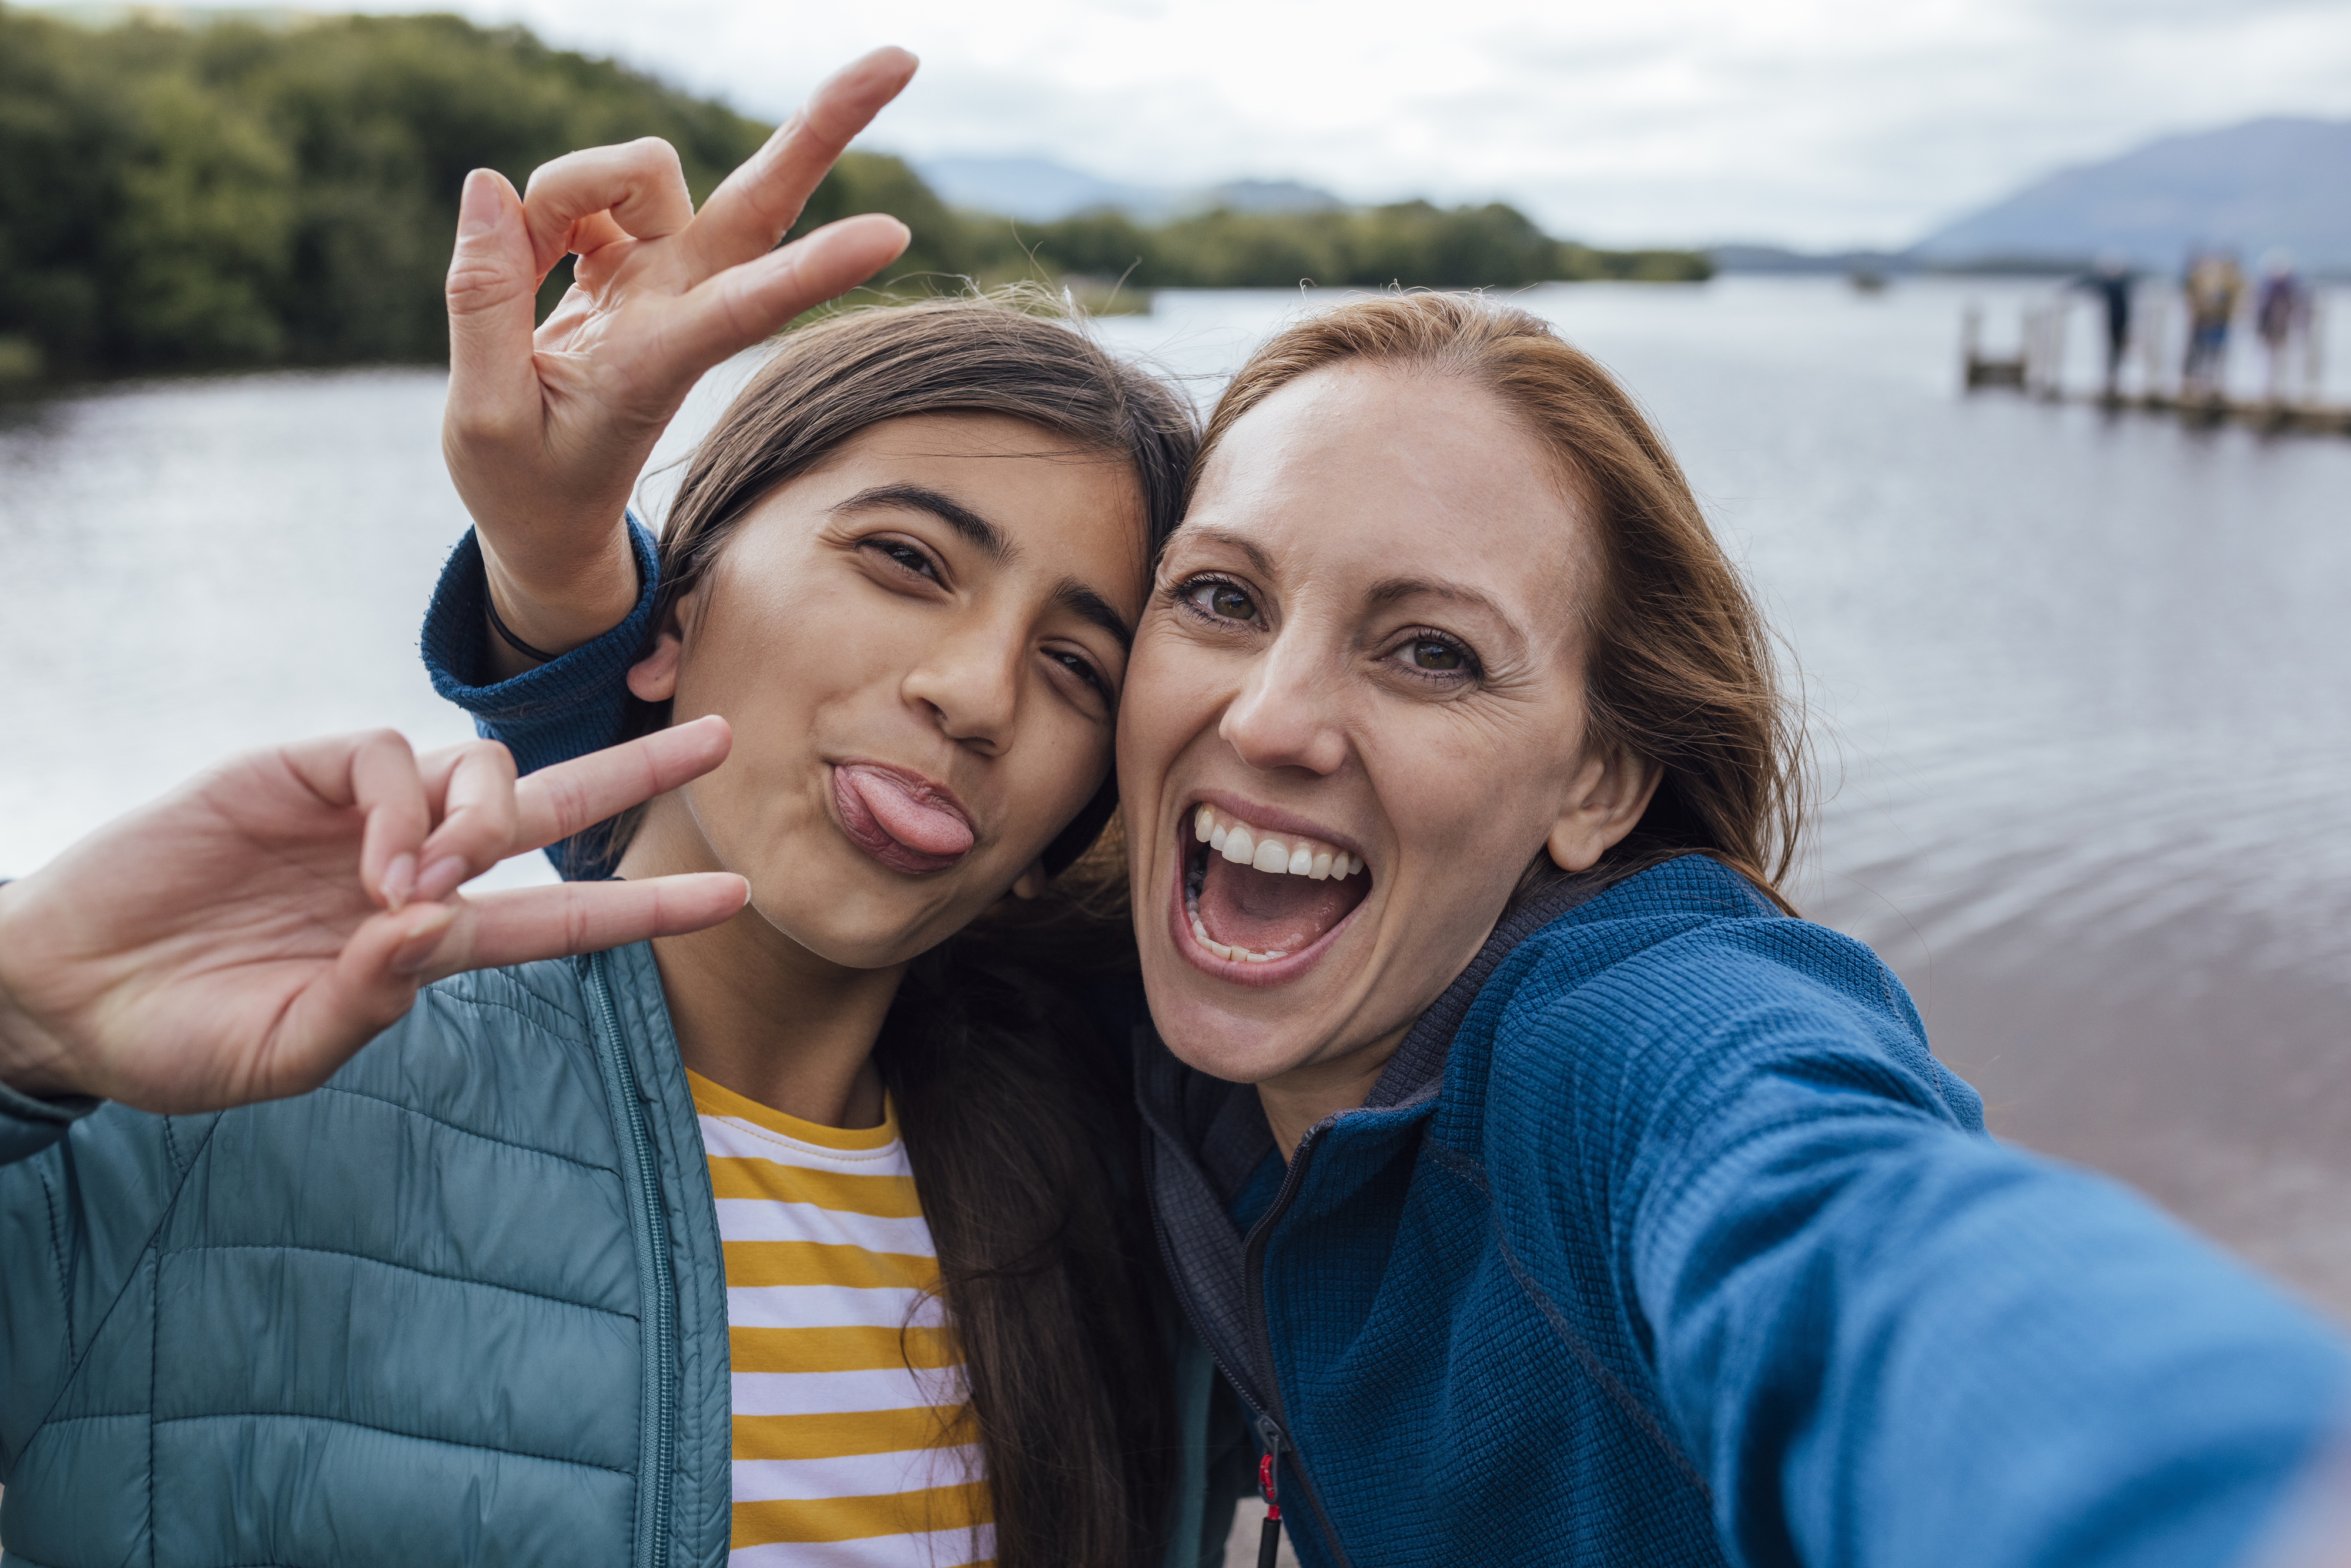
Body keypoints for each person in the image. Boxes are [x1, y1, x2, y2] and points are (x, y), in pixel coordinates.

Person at [488, 284, 2351, 1567]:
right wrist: (560, 593)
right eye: (1217, 599)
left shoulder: (1611, 1052)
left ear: (1596, 786)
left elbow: (1843, 1239)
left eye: (1430, 651)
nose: (1276, 718)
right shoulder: (1137, 1011)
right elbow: (830, 846)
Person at [0, 49, 1231, 1568]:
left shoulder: (1130, 1183)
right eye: (908, 560)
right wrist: (17, 1028)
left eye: (1075, 664)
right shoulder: (243, 1078)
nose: (978, 692)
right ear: (667, 608)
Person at [2183, 247, 2246, 398]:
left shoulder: (2228, 281)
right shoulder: (2200, 279)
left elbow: (2233, 301)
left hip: (2216, 321)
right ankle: (2198, 380)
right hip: (2204, 321)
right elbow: (2193, 299)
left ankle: (2209, 381)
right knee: (2202, 351)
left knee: (2213, 352)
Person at [2076, 250, 2135, 399]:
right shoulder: (2122, 285)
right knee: (2115, 352)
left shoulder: (2114, 285)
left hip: (2117, 323)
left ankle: (2113, 380)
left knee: (2115, 352)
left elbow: (2090, 284)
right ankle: (2113, 380)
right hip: (2118, 322)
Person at [2256, 250, 2311, 405]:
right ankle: (2271, 388)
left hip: (2282, 330)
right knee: (2272, 358)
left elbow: (2299, 309)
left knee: (2280, 358)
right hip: (2273, 330)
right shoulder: (2275, 289)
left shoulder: (2281, 289)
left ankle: (2277, 388)